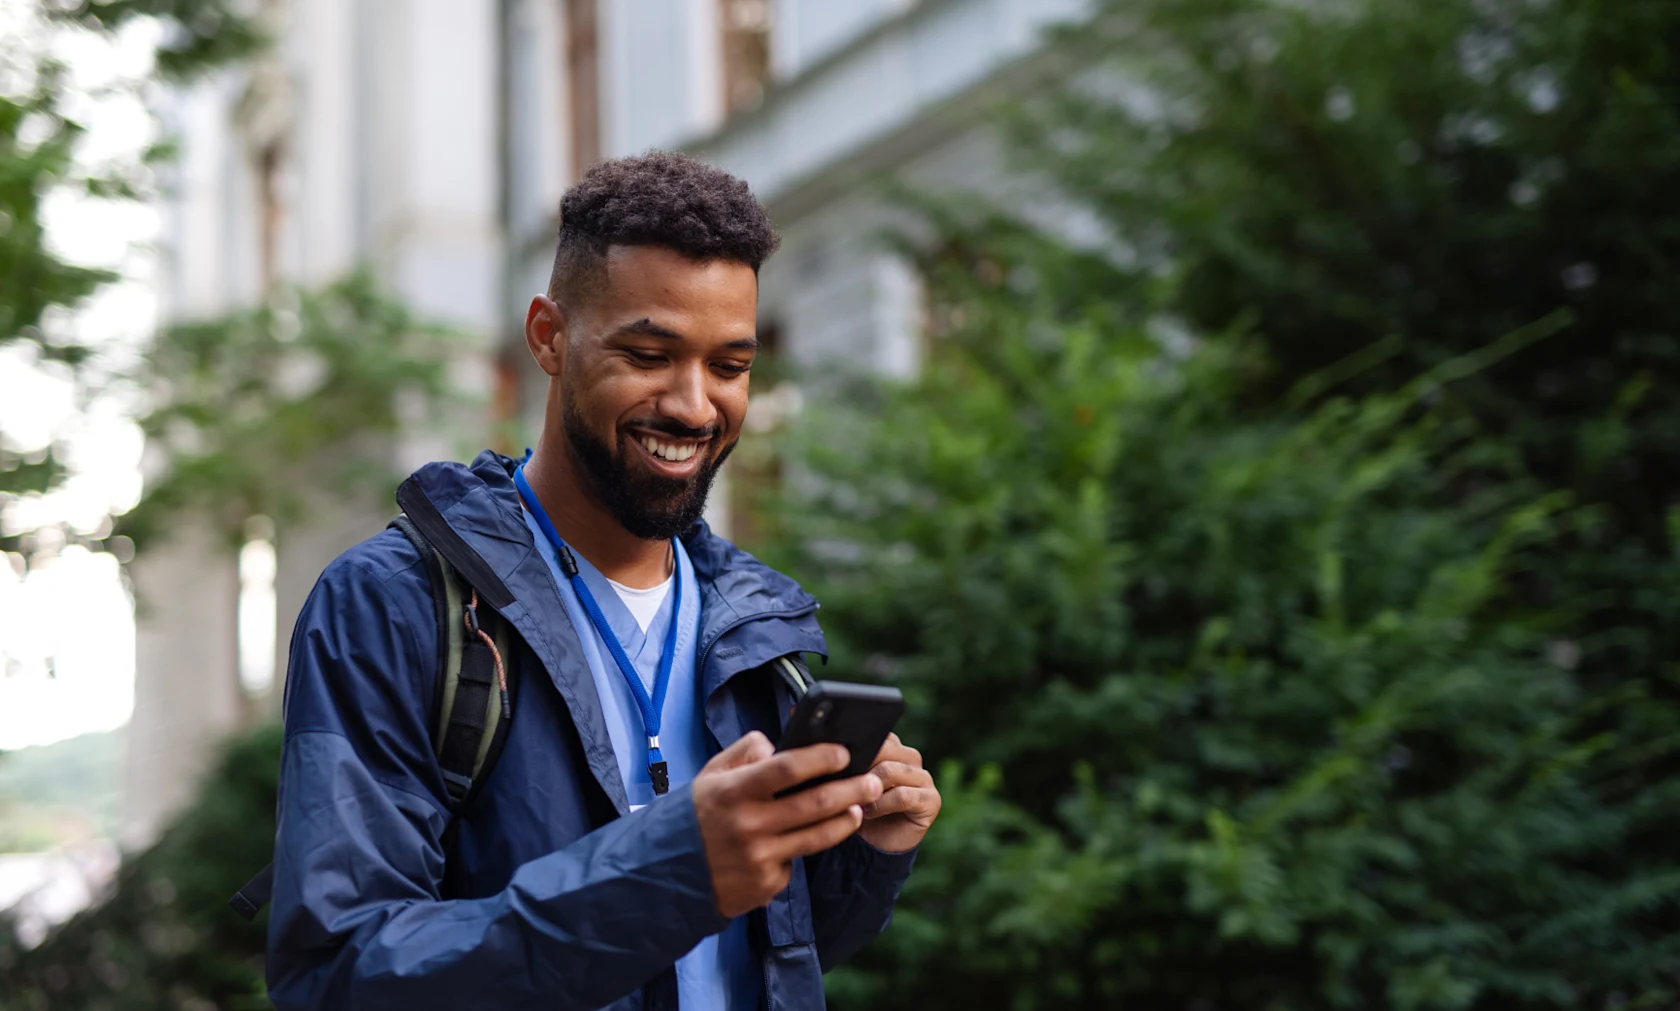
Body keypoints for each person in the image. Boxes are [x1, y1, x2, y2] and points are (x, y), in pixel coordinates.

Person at [265, 151, 942, 1011]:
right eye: (651, 352)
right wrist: (669, 872)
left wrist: (863, 855)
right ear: (549, 335)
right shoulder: (392, 606)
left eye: (730, 366)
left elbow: (759, 959)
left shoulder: (759, 624)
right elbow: (338, 975)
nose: (696, 406)